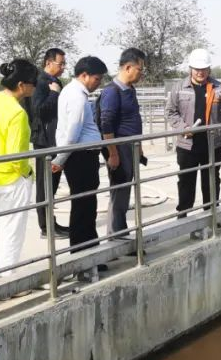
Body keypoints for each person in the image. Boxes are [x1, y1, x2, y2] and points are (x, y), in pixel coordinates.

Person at [165, 48, 221, 236]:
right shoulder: (179, 87)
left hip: (212, 144)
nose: (200, 72)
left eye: (204, 68)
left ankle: (212, 215)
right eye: (197, 68)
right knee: (186, 181)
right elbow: (170, 112)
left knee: (211, 180)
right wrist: (183, 128)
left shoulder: (218, 87)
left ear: (209, 69)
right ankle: (183, 219)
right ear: (190, 68)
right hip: (187, 144)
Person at [0, 59, 38, 281]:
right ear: (21, 84)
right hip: (11, 179)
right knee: (11, 232)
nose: (35, 86)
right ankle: (7, 282)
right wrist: (27, 173)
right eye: (33, 82)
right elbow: (16, 156)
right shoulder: (17, 113)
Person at [51, 56, 107, 279]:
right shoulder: (76, 96)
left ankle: (89, 253)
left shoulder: (75, 93)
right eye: (96, 78)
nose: (98, 83)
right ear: (84, 75)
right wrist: (60, 160)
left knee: (86, 205)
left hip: (82, 155)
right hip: (80, 157)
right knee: (83, 207)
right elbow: (72, 133)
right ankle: (81, 258)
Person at [98, 48, 146, 238]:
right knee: (119, 193)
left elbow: (133, 119)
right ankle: (116, 235)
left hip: (131, 147)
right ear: (128, 67)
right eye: (140, 69)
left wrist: (139, 146)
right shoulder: (112, 92)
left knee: (125, 192)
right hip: (120, 149)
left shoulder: (129, 90)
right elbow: (106, 124)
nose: (141, 73)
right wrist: (113, 153)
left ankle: (120, 232)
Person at [30, 48, 70, 239]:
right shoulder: (40, 83)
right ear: (48, 62)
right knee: (44, 185)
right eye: (60, 63)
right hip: (44, 142)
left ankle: (50, 221)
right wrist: (54, 95)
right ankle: (45, 226)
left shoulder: (55, 82)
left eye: (64, 64)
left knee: (52, 184)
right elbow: (39, 111)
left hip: (56, 140)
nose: (63, 67)